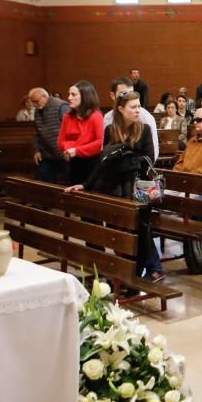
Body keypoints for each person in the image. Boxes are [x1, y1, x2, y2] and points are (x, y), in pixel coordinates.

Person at [66, 91, 164, 282]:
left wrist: (124, 156)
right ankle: (121, 271)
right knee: (116, 232)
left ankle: (137, 272)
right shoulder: (111, 129)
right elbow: (103, 161)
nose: (138, 110)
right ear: (120, 109)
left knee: (139, 230)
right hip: (115, 187)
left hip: (138, 189)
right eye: (133, 107)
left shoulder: (144, 130)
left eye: (138, 106)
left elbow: (148, 160)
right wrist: (86, 185)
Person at [58, 80, 104, 185]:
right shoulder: (67, 117)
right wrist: (71, 148)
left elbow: (100, 143)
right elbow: (60, 142)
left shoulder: (96, 116)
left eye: (73, 94)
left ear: (85, 96)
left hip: (91, 164)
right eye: (69, 94)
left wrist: (76, 150)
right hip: (72, 163)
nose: (69, 98)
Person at [103, 78, 159, 161]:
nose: (129, 97)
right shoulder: (108, 119)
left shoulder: (146, 118)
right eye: (124, 93)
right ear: (113, 96)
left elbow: (152, 156)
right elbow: (105, 156)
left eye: (131, 93)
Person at [29, 87, 69, 183]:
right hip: (47, 154)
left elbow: (70, 130)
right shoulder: (38, 110)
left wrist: (68, 149)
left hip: (64, 154)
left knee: (70, 182)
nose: (34, 105)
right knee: (41, 181)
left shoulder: (61, 106)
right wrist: (36, 150)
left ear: (44, 96)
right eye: (32, 102)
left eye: (36, 101)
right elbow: (37, 133)